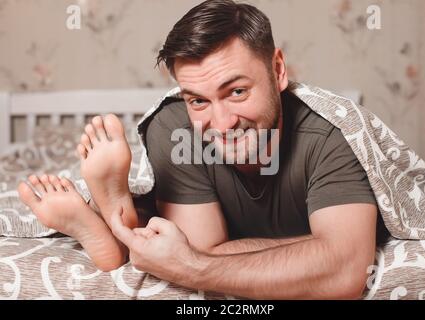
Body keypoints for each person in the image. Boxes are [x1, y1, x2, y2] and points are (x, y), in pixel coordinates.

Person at [17, 0, 389, 299]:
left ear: (277, 70)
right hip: (194, 214)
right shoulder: (174, 126)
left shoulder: (331, 134)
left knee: (162, 243)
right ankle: (115, 219)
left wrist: (193, 266)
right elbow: (199, 247)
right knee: (158, 228)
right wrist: (314, 247)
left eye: (237, 92)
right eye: (198, 100)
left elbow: (345, 272)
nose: (222, 123)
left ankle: (120, 232)